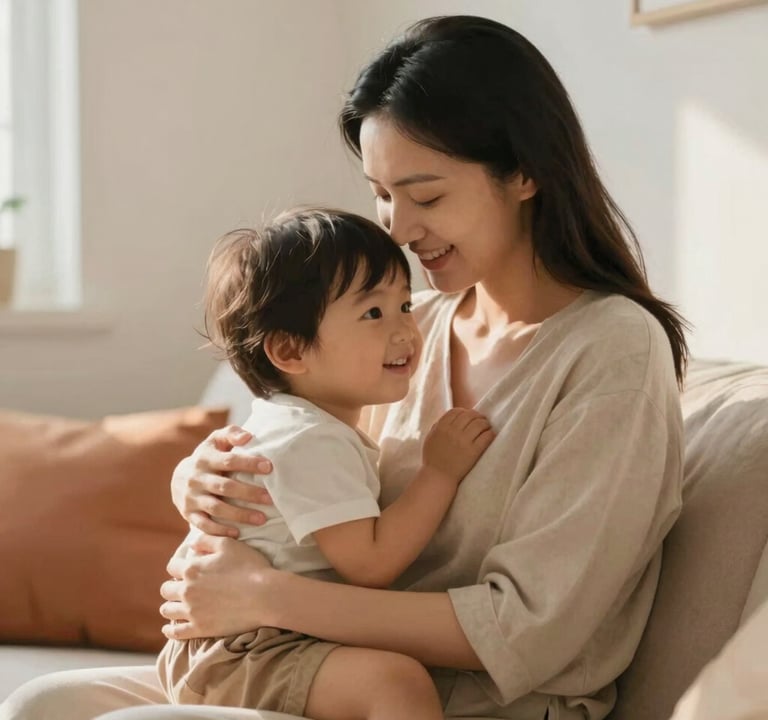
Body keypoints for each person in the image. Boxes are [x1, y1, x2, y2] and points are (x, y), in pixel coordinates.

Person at [0, 14, 688, 720]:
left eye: (426, 196)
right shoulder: (403, 327)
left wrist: (266, 596)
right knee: (41, 705)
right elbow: (295, 460)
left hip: (461, 700)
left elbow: (528, 629)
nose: (397, 230)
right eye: (381, 195)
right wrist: (201, 480)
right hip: (316, 664)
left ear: (525, 173)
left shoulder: (613, 351)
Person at [156, 206, 493, 719]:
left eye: (404, 304)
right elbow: (372, 564)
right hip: (245, 650)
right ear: (290, 351)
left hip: (233, 641)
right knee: (395, 683)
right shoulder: (311, 440)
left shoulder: (295, 424)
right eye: (373, 314)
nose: (406, 329)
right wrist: (440, 473)